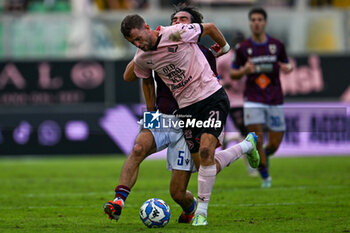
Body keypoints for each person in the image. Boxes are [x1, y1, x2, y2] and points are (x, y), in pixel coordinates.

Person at [104, 7, 259, 225]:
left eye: (183, 20)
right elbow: (134, 75)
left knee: (193, 176)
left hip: (202, 105)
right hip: (170, 116)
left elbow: (211, 42)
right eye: (174, 19)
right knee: (139, 148)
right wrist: (140, 55)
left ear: (191, 26)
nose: (178, 22)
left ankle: (200, 207)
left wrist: (224, 48)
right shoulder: (147, 51)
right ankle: (119, 200)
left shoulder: (200, 49)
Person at [230, 7, 293, 188]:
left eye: (259, 19)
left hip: (274, 99)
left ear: (264, 22)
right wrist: (244, 70)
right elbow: (234, 73)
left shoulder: (277, 45)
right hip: (252, 99)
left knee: (273, 144)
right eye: (253, 20)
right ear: (250, 23)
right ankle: (265, 177)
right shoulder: (243, 48)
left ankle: (262, 156)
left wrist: (288, 68)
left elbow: (286, 64)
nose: (256, 23)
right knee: (257, 138)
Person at [216, 32, 257, 176]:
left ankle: (229, 139)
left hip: (244, 100)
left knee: (245, 133)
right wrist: (223, 83)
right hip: (230, 100)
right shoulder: (225, 59)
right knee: (245, 133)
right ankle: (251, 167)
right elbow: (213, 74)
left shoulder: (249, 60)